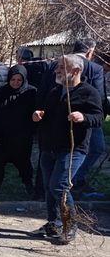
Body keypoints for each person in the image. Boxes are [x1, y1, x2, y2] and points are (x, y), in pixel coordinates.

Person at [31, 55, 104, 244]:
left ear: (76, 71)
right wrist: (39, 115)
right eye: (58, 68)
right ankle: (54, 223)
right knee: (48, 187)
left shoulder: (88, 92)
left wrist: (84, 117)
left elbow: (98, 117)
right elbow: (46, 113)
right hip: (50, 146)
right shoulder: (55, 91)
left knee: (59, 185)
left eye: (62, 68)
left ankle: (70, 224)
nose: (57, 71)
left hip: (73, 148)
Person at [0, 65, 37, 197]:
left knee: (24, 164)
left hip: (22, 137)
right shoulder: (0, 93)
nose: (15, 83)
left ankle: (29, 186)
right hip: (1, 137)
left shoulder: (31, 93)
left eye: (19, 80)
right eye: (13, 79)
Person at [70, 39, 107, 197]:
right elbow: (99, 95)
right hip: (89, 116)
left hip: (66, 113)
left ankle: (73, 179)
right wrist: (101, 115)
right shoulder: (95, 68)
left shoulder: (62, 63)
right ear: (90, 51)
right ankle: (74, 179)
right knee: (96, 148)